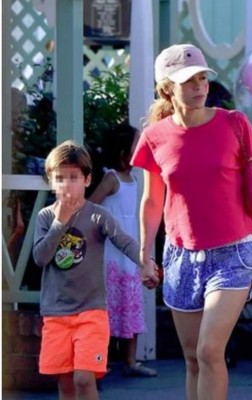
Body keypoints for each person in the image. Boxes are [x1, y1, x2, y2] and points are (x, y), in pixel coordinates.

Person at [130, 43, 252, 400]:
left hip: (233, 254)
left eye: (202, 78)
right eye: (188, 81)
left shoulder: (234, 124)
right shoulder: (154, 137)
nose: (199, 86)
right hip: (180, 257)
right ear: (167, 88)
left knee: (210, 351)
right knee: (192, 358)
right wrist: (146, 253)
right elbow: (152, 200)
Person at [32, 140, 158, 400]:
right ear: (51, 181)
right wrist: (60, 223)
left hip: (92, 312)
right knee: (65, 382)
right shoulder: (45, 217)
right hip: (56, 313)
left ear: (87, 180)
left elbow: (124, 240)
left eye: (74, 177)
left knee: (84, 378)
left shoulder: (97, 215)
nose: (67, 184)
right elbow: (40, 257)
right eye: (60, 178)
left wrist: (145, 262)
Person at [88, 123, 157, 378]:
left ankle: (131, 361)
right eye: (135, 144)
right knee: (106, 307)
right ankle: (100, 362)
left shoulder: (135, 179)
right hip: (110, 254)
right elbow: (89, 206)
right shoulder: (111, 178)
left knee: (130, 303)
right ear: (122, 151)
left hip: (129, 253)